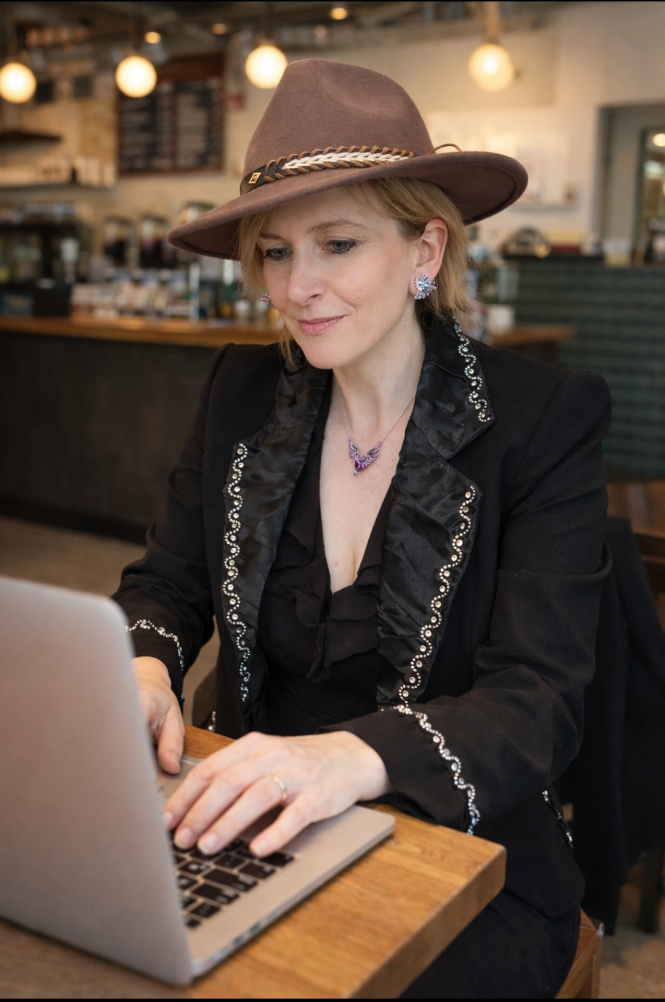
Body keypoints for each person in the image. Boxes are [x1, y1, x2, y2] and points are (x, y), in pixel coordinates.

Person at [113, 59, 610, 998]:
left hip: (461, 842)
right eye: (275, 252)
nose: (298, 286)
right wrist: (144, 670)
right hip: (245, 800)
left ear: (425, 249)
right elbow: (165, 584)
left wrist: (347, 759)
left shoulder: (540, 419)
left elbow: (537, 701)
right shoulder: (240, 392)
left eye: (336, 244)